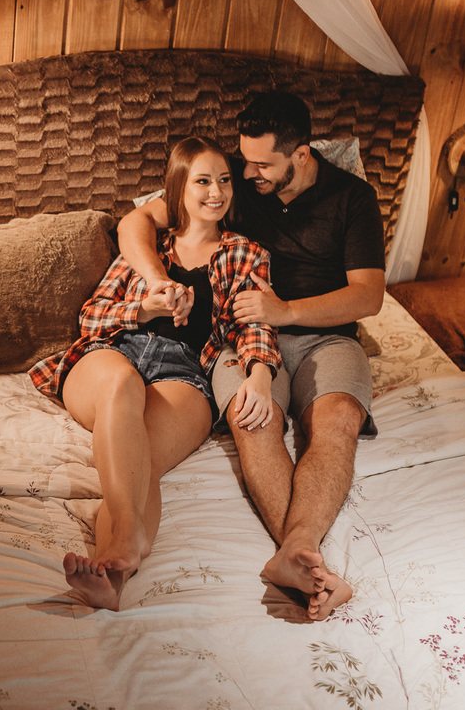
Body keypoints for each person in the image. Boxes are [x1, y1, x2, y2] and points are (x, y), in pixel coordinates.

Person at [116, 91, 386, 621]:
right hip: (240, 336)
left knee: (335, 423)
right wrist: (156, 281)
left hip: (326, 335)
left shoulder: (353, 198)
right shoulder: (236, 188)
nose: (248, 172)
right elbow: (134, 222)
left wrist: (285, 311)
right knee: (252, 418)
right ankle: (303, 560)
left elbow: (368, 296)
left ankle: (296, 547)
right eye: (245, 159)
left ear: (302, 155)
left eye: (263, 163)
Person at [29, 136, 281, 611]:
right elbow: (91, 317)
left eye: (224, 181)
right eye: (202, 181)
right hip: (112, 352)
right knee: (121, 385)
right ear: (177, 190)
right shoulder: (147, 246)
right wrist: (145, 308)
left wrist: (260, 373)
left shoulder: (246, 254)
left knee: (138, 464)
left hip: (182, 372)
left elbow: (255, 323)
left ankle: (112, 578)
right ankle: (128, 531)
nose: (216, 192)